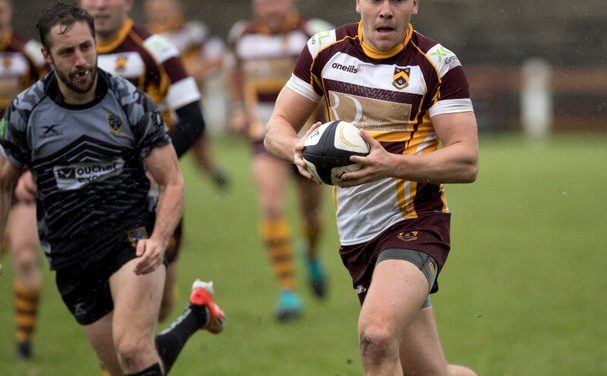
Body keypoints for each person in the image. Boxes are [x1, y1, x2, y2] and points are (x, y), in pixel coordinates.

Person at [0, 3, 224, 375]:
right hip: (70, 254)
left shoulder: (131, 102)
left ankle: (190, 313)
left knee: (134, 350)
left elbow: (172, 182)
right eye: (68, 52)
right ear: (47, 56)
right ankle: (197, 315)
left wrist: (159, 237)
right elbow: (4, 181)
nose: (81, 60)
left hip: (132, 238)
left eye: (87, 48)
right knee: (127, 365)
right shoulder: (26, 111)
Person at [264, 0, 479, 374]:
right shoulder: (323, 51)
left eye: (397, 0)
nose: (385, 10)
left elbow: (467, 160)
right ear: (359, 2)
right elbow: (277, 128)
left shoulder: (438, 64)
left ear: (414, 5)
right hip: (358, 237)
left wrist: (391, 165)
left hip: (416, 222)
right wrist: (298, 149)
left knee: (376, 335)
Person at [79, 0, 214, 322]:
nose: (98, 5)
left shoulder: (154, 48)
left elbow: (193, 119)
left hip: (151, 190)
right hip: (88, 190)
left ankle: (193, 318)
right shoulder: (70, 55)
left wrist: (155, 167)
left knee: (159, 304)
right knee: (109, 305)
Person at [228, 0, 332, 321]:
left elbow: (329, 85)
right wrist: (239, 111)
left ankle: (312, 254)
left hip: (308, 138)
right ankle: (288, 291)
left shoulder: (314, 33)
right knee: (271, 206)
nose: (271, 7)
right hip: (265, 136)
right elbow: (235, 74)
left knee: (311, 212)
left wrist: (331, 128)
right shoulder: (242, 36)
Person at [0, 0, 48, 360]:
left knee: (26, 255)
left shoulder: (28, 56)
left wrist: (31, 164)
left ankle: (24, 339)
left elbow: (49, 107)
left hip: (17, 168)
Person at [144, 0, 230, 190]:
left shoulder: (193, 33)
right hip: (160, 107)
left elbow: (219, 56)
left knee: (196, 141)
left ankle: (210, 169)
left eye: (166, 9)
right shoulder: (146, 37)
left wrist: (198, 71)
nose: (161, 15)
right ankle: (165, 180)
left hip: (186, 102)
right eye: (156, 10)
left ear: (177, 9)